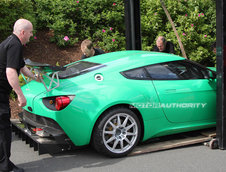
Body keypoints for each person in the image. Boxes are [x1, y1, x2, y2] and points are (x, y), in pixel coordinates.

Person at [0, 19, 40, 172]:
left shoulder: (10, 42)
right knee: (3, 131)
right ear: (23, 32)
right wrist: (20, 95)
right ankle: (5, 168)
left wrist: (35, 78)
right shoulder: (15, 44)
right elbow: (10, 71)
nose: (31, 35)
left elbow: (21, 67)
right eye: (30, 32)